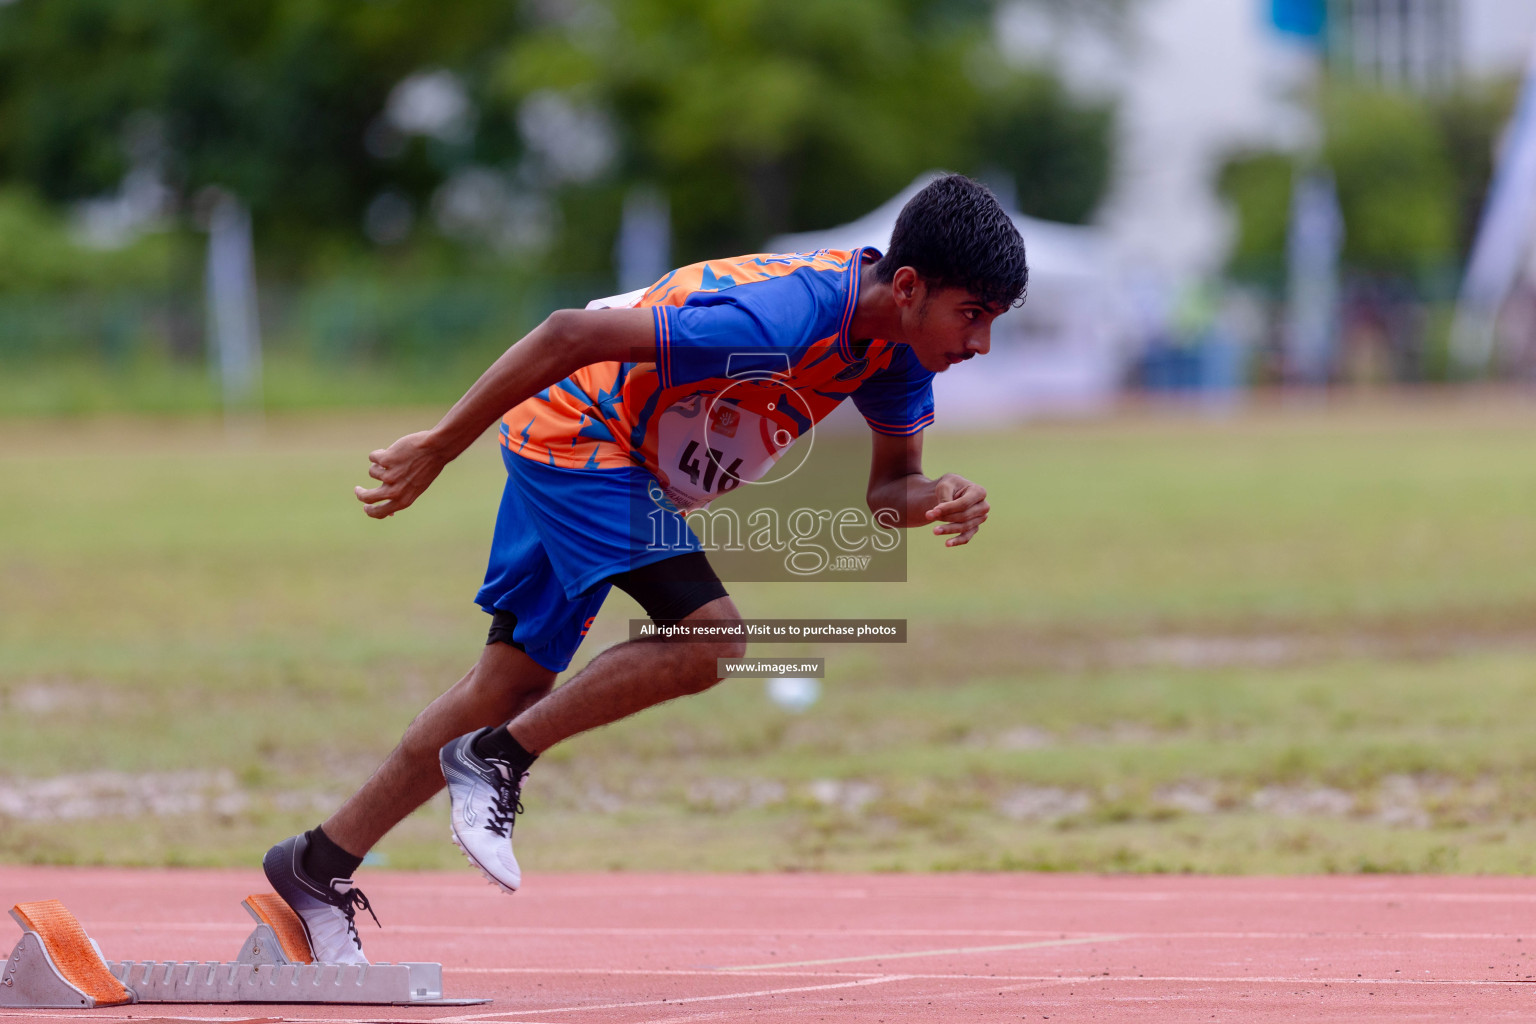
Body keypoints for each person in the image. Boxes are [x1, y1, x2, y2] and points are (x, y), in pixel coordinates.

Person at [261, 173, 1028, 963]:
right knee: (710, 643)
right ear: (906, 286)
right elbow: (568, 334)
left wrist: (935, 495)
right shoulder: (780, 319)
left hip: (608, 452)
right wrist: (440, 444)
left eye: (993, 321)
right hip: (581, 434)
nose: (980, 344)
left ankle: (315, 865)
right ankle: (495, 758)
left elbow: (887, 493)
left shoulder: (897, 349)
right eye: (973, 316)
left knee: (509, 685)